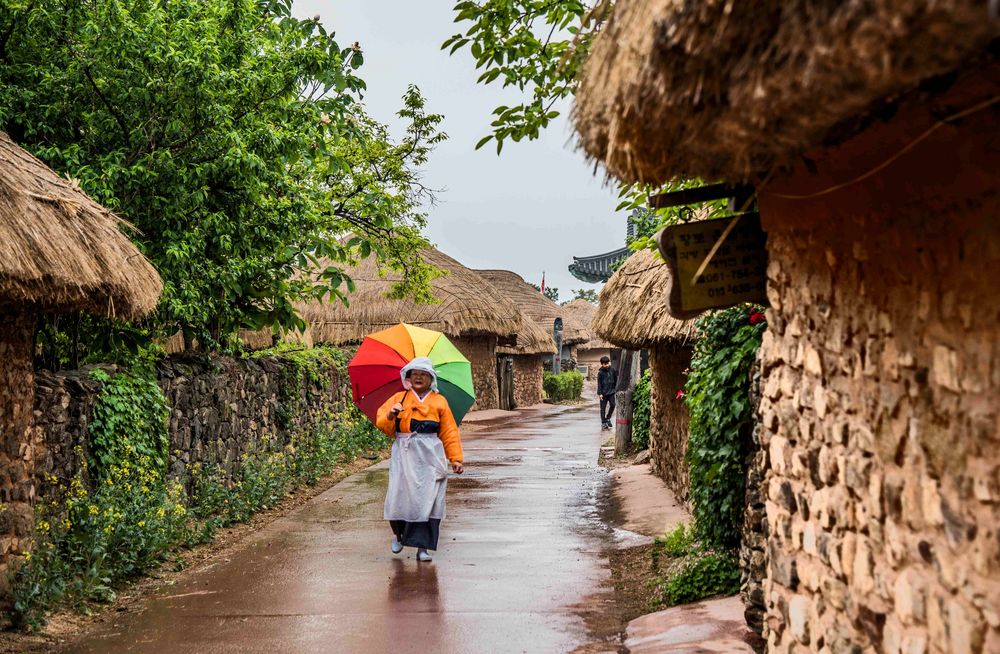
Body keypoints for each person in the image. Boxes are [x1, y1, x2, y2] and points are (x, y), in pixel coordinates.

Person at [376, 357, 464, 562]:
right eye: (414, 374)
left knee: (429, 499)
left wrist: (456, 458)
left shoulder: (439, 402)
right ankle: (399, 536)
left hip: (431, 456)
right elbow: (384, 426)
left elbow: (449, 431)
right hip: (405, 454)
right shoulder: (399, 399)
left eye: (423, 374)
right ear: (407, 378)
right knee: (400, 496)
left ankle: (422, 547)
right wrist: (391, 414)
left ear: (430, 378)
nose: (418, 377)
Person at [597, 355, 618, 430]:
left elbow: (616, 380)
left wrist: (616, 389)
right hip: (603, 393)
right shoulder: (600, 373)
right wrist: (600, 393)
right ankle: (603, 422)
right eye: (604, 364)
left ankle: (608, 418)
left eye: (607, 363)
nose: (606, 365)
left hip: (611, 392)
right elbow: (599, 383)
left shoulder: (612, 370)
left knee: (613, 404)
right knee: (603, 408)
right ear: (602, 364)